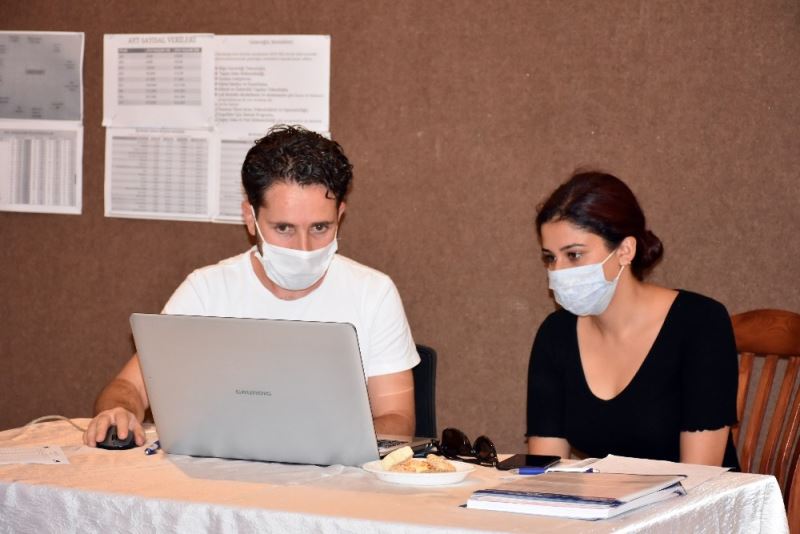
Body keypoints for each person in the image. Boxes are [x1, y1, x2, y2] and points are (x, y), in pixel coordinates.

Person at [84, 125, 419, 448]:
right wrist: (120, 411)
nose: (303, 249)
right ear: (250, 218)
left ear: (340, 215)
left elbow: (398, 419)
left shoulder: (373, 294)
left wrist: (318, 442)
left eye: (320, 227)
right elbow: (128, 387)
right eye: (284, 228)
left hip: (335, 475)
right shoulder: (207, 291)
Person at [526, 171, 740, 469]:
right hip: (602, 498)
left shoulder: (700, 323)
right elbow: (545, 470)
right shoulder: (556, 334)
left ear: (625, 250)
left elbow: (700, 476)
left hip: (694, 497)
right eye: (550, 258)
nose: (557, 272)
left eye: (573, 255)